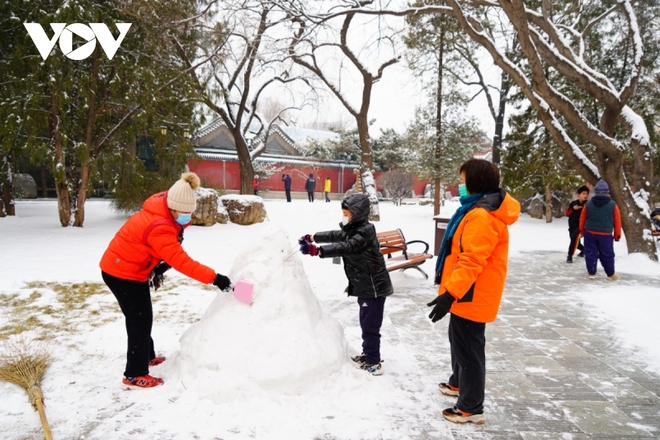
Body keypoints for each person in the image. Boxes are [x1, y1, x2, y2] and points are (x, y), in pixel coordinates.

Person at [100, 172, 232, 388]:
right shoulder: (159, 226)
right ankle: (134, 374)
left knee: (142, 316)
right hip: (121, 273)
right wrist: (216, 278)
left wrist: (158, 267)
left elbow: (166, 248)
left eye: (189, 212)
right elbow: (182, 261)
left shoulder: (165, 205)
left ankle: (146, 356)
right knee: (139, 319)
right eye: (183, 213)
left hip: (134, 269)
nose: (187, 217)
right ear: (172, 208)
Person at [428, 159, 520, 425]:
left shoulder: (481, 216)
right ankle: (459, 383)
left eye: (463, 178)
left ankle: (471, 407)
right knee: (459, 342)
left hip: (471, 293)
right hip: (466, 292)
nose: (460, 184)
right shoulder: (476, 209)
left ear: (476, 182)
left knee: (469, 349)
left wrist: (450, 293)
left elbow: (472, 261)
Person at [299, 194, 393, 375]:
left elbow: (346, 246)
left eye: (346, 213)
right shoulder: (353, 228)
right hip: (365, 286)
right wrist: (313, 237)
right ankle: (368, 354)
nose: (344, 216)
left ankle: (374, 362)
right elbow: (336, 235)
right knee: (366, 322)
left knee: (370, 325)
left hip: (373, 287)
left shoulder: (364, 232)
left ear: (356, 214)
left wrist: (318, 251)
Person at [579, 179, 621, 280]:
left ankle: (591, 273)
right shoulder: (613, 205)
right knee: (607, 254)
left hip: (590, 233)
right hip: (605, 235)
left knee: (590, 253)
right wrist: (617, 235)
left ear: (596, 191)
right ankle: (610, 274)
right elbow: (617, 221)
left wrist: (582, 231)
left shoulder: (588, 204)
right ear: (607, 192)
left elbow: (582, 219)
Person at [565, 185, 589, 263]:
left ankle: (569, 256)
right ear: (578, 194)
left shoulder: (588, 205)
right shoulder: (573, 203)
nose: (585, 196)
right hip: (572, 226)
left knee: (574, 238)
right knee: (576, 243)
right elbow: (567, 213)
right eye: (583, 194)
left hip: (581, 226)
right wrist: (573, 209)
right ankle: (584, 250)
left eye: (586, 194)